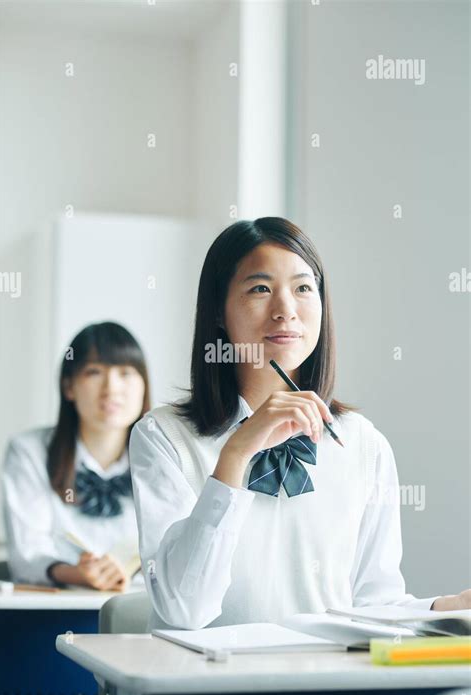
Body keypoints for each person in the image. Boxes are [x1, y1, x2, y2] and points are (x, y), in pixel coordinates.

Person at [129, 217, 470, 630]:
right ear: (218, 311)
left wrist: (444, 608)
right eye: (260, 289)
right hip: (208, 689)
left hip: (331, 686)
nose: (285, 311)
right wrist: (236, 453)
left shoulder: (361, 443)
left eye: (304, 288)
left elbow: (373, 602)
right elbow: (184, 610)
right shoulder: (164, 437)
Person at [2, 321, 150, 591]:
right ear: (69, 387)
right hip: (56, 607)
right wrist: (77, 574)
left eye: (126, 373)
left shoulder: (162, 456)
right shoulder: (30, 452)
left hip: (142, 610)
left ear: (143, 386)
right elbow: (28, 554)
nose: (112, 388)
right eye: (94, 372)